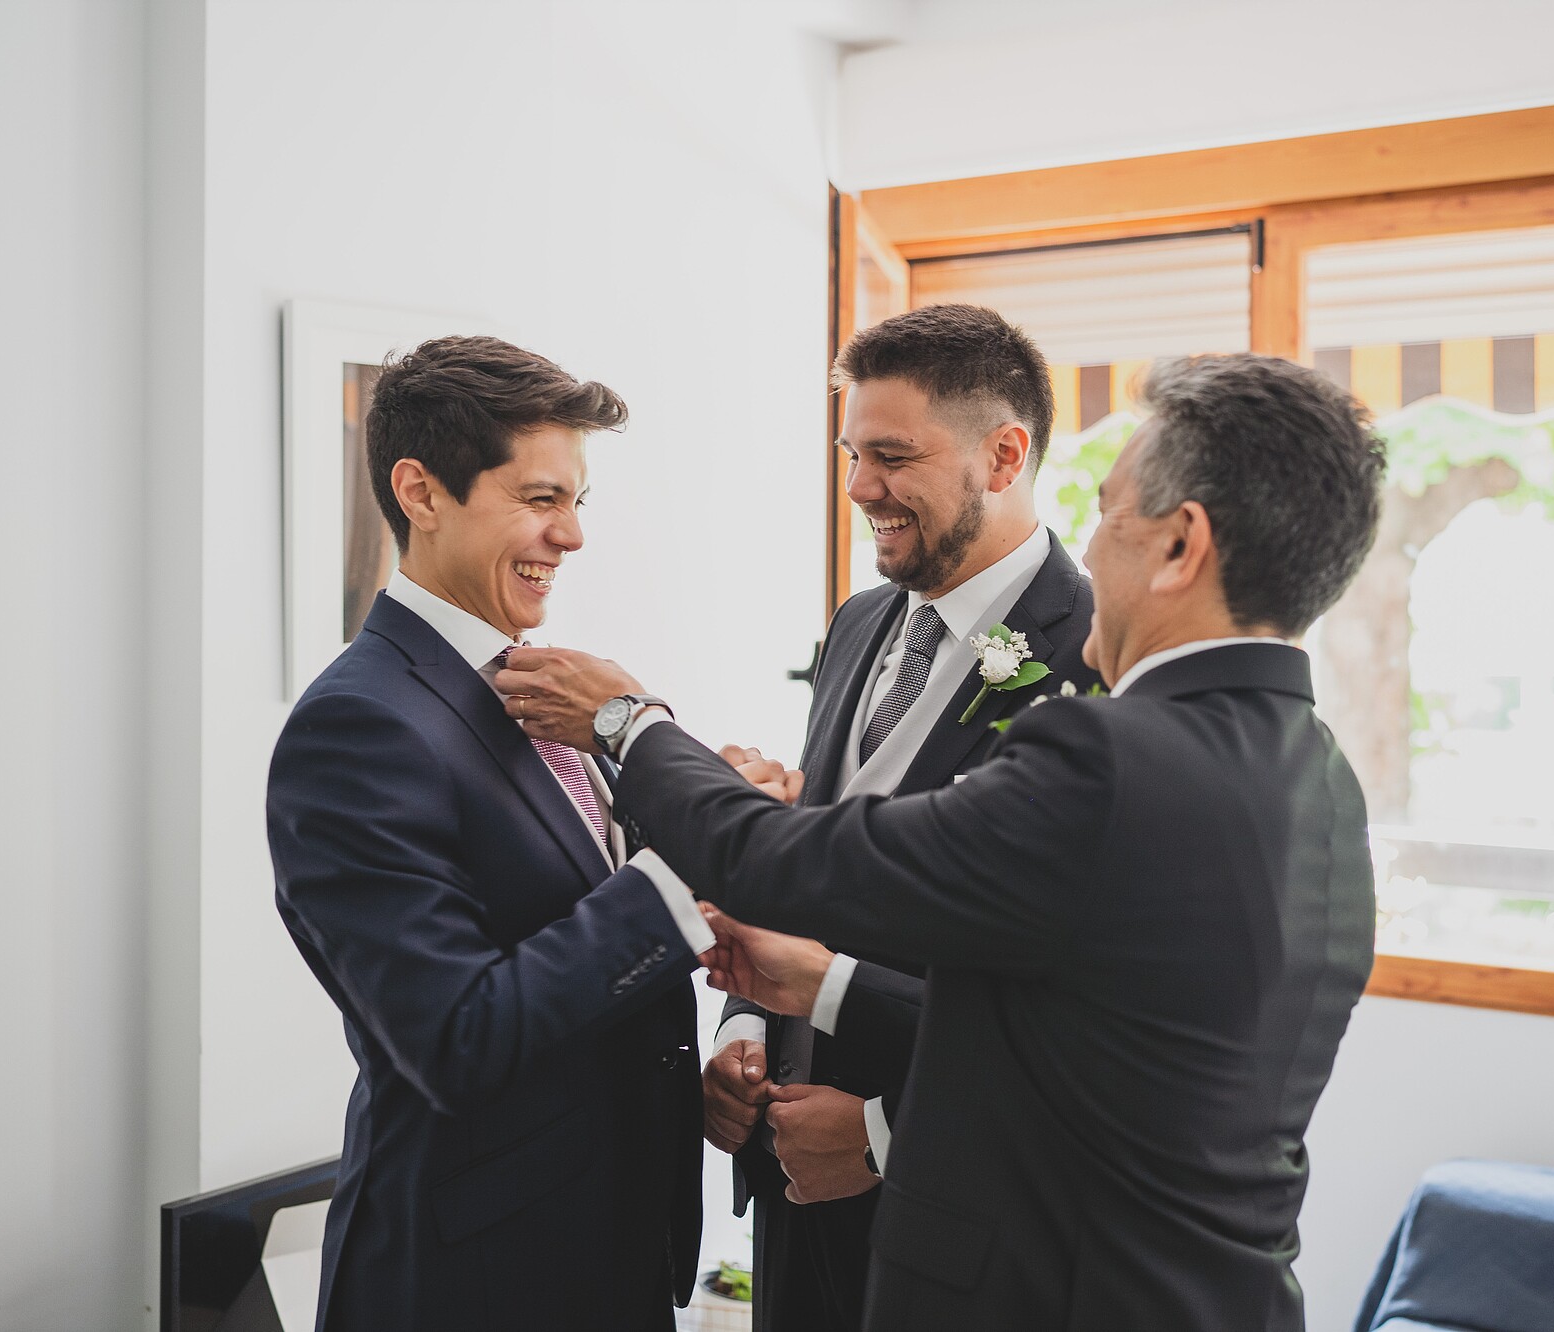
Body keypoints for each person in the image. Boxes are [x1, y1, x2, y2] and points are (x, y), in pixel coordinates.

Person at [497, 351, 1388, 1332]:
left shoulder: (1108, 755)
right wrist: (801, 991)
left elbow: (791, 863)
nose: (1090, 551)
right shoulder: (1321, 776)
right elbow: (1079, 1043)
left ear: (1181, 546)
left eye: (1108, 514)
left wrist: (629, 723)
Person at [266, 336, 715, 1332]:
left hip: (608, 1248)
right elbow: (456, 1036)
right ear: (420, 493)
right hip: (471, 1279)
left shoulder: (545, 689)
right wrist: (675, 884)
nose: (572, 536)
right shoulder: (360, 726)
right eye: (539, 498)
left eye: (576, 502)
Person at [699, 304, 1100, 1332]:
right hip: (788, 1177)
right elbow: (809, 866)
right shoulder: (858, 621)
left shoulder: (1094, 657)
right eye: (849, 453)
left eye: (889, 455)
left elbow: (1067, 997)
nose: (857, 488)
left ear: (1002, 455)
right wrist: (747, 1023)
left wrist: (879, 1129)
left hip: (956, 1213)